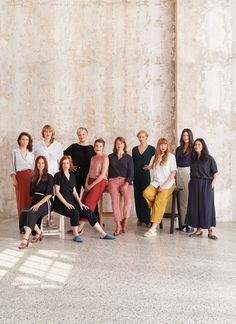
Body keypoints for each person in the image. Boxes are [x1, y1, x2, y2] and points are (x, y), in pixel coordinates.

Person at [53, 156, 115, 242]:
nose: (65, 165)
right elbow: (57, 192)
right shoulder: (58, 175)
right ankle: (76, 235)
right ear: (61, 165)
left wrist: (80, 203)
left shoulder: (72, 176)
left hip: (71, 202)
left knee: (88, 211)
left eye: (67, 163)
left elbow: (74, 191)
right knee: (74, 212)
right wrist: (66, 204)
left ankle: (102, 233)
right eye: (63, 163)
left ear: (70, 164)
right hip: (60, 204)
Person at [143, 138, 177, 237]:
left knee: (159, 201)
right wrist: (149, 167)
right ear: (158, 146)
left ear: (167, 146)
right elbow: (155, 167)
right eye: (161, 145)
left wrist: (163, 186)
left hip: (168, 183)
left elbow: (173, 173)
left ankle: (153, 229)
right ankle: (157, 208)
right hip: (156, 182)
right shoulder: (155, 156)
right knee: (146, 193)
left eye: (165, 145)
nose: (163, 147)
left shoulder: (171, 157)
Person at [185, 138, 218, 240]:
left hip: (206, 185)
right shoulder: (193, 158)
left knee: (206, 207)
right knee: (195, 207)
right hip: (194, 184)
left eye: (199, 144)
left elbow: (215, 172)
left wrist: (213, 183)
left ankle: (210, 231)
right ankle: (198, 230)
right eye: (195, 145)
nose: (197, 146)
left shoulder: (209, 158)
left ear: (203, 146)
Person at [18, 156, 54, 249]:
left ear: (45, 164)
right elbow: (32, 193)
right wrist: (35, 203)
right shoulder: (33, 177)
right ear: (36, 165)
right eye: (38, 163)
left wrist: (38, 204)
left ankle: (25, 238)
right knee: (24, 212)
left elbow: (49, 194)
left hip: (45, 202)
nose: (40, 165)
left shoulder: (49, 177)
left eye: (42, 163)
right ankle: (39, 232)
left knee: (31, 212)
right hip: (35, 201)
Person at [34, 124, 63, 227]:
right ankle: (40, 218)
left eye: (49, 132)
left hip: (54, 174)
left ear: (52, 133)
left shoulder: (57, 145)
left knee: (53, 195)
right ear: (43, 133)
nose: (47, 133)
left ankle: (50, 218)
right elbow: (35, 160)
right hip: (42, 174)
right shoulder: (38, 145)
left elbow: (61, 161)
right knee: (43, 195)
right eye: (45, 131)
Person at [79, 138, 108, 232]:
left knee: (89, 203)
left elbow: (103, 175)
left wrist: (91, 186)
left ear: (103, 147)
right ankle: (78, 225)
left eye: (100, 146)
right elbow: (89, 172)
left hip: (100, 182)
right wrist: (86, 183)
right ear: (94, 147)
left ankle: (80, 228)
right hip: (90, 180)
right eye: (96, 146)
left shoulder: (105, 158)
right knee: (82, 202)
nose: (98, 148)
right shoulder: (93, 158)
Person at [108, 137, 134, 236]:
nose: (119, 145)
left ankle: (125, 222)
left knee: (128, 200)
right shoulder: (110, 157)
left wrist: (126, 183)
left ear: (124, 145)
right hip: (113, 181)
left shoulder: (128, 158)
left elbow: (131, 173)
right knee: (115, 201)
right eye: (117, 143)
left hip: (125, 181)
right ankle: (118, 225)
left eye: (121, 143)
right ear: (115, 145)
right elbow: (106, 170)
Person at [9, 132, 34, 231]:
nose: (24, 141)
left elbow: (34, 168)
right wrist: (14, 179)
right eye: (23, 139)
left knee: (31, 201)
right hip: (20, 178)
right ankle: (22, 226)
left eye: (27, 139)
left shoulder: (31, 154)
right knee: (21, 201)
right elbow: (12, 167)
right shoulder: (14, 152)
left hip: (32, 178)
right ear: (19, 140)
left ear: (29, 142)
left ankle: (31, 226)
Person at [132, 130, 155, 226]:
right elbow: (132, 162)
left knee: (145, 195)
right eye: (139, 137)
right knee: (137, 196)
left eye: (143, 136)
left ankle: (147, 219)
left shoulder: (151, 149)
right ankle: (140, 218)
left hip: (145, 175)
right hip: (135, 174)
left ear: (146, 137)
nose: (141, 138)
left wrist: (151, 167)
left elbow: (159, 158)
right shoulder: (134, 149)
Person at [64, 127, 95, 196]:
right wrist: (70, 166)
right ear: (77, 135)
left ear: (87, 135)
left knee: (90, 195)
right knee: (74, 194)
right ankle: (75, 207)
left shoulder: (91, 148)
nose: (81, 136)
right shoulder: (73, 146)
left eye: (83, 134)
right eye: (79, 134)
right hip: (75, 173)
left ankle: (91, 207)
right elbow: (64, 155)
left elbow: (96, 160)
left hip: (88, 174)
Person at [175, 128, 194, 233]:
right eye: (184, 135)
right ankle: (182, 223)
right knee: (181, 199)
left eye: (187, 135)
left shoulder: (193, 148)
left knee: (188, 198)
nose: (185, 137)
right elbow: (175, 163)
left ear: (190, 136)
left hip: (188, 172)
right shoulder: (178, 149)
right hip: (179, 172)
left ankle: (190, 224)